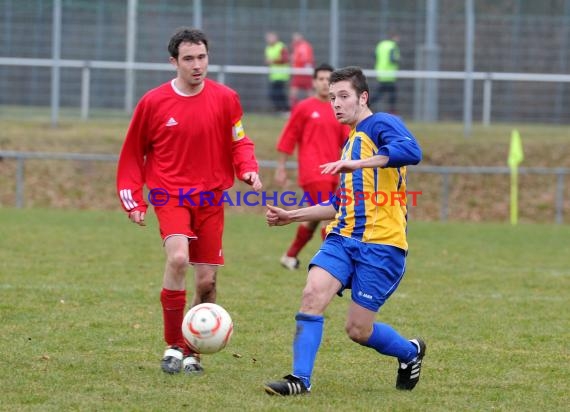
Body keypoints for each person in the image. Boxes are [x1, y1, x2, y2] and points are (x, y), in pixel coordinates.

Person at [263, 66, 425, 396]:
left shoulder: (381, 124)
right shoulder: (350, 142)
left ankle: (410, 352)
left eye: (343, 96)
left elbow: (412, 152)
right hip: (343, 237)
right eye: (332, 97)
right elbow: (339, 204)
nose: (335, 103)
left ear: (363, 97)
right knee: (312, 295)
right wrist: (291, 215)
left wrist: (359, 163)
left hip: (382, 245)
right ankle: (300, 380)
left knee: (358, 329)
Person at [116, 27, 262, 376]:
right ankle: (172, 346)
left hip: (211, 199)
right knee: (178, 258)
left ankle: (193, 349)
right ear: (174, 62)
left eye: (202, 57)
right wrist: (134, 200)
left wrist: (248, 169)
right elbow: (134, 154)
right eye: (189, 59)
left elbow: (239, 141)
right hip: (170, 195)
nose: (198, 65)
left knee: (206, 282)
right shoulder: (153, 103)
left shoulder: (226, 98)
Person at [274, 63, 349, 270]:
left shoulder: (338, 109)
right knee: (330, 215)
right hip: (314, 173)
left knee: (315, 218)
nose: (325, 83)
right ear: (314, 82)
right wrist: (281, 167)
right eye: (321, 79)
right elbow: (288, 138)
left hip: (334, 173)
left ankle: (289, 256)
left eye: (329, 80)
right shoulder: (304, 108)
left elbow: (347, 141)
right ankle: (333, 265)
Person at [370, 34, 400, 113]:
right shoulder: (393, 46)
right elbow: (392, 59)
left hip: (380, 73)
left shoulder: (381, 45)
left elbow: (375, 56)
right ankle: (392, 111)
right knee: (392, 94)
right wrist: (398, 59)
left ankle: (368, 105)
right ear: (393, 37)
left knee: (380, 93)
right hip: (389, 74)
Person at [265, 31, 290, 114]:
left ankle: (286, 110)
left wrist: (273, 61)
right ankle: (281, 110)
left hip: (281, 75)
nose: (269, 39)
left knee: (279, 93)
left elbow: (285, 59)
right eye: (268, 38)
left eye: (271, 37)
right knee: (274, 94)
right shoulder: (268, 48)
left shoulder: (281, 46)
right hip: (273, 75)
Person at [288, 32, 315, 109]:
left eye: (295, 38)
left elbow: (306, 59)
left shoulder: (303, 46)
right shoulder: (296, 46)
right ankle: (294, 109)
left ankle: (311, 107)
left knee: (307, 91)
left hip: (302, 72)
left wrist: (306, 70)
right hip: (299, 72)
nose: (294, 40)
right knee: (296, 91)